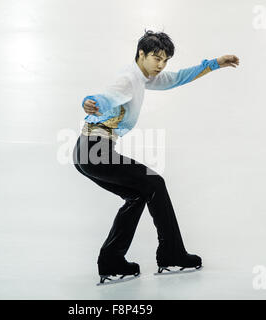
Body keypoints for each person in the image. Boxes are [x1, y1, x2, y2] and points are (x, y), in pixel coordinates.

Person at [72, 29, 239, 284]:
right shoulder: (129, 78)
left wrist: (215, 64)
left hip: (86, 153)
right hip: (95, 151)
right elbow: (106, 98)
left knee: (138, 193)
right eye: (156, 58)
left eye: (165, 60)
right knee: (155, 183)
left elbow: (177, 78)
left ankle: (112, 260)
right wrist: (91, 102)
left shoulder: (143, 77)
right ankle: (172, 254)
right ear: (141, 53)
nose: (161, 65)